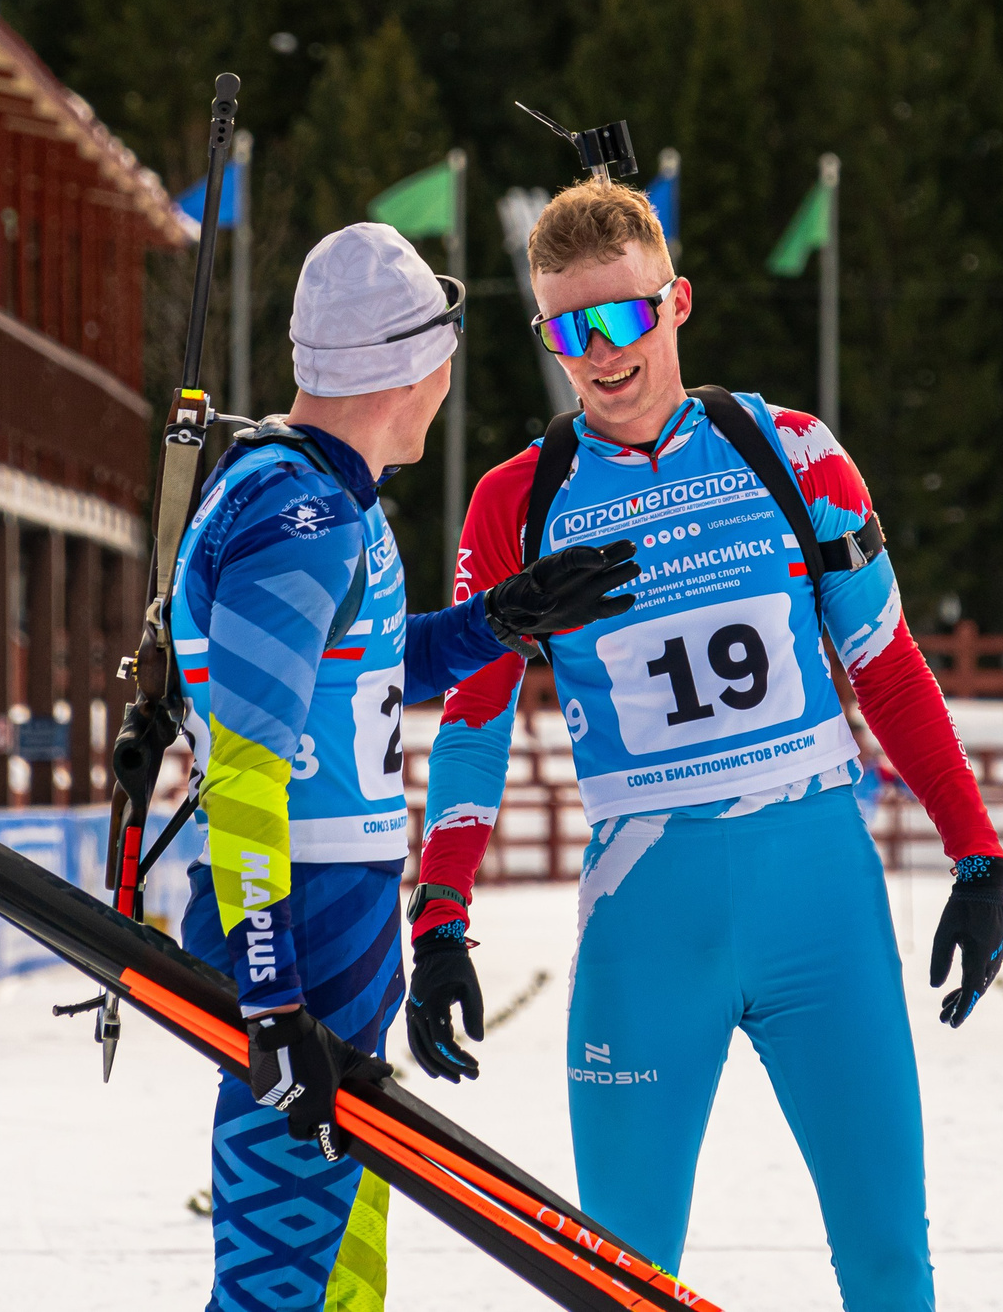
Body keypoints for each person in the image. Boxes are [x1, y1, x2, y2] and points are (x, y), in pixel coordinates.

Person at [402, 178, 1003, 1311]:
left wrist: (977, 857)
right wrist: (439, 918)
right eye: (568, 328)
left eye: (625, 315)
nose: (602, 352)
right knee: (621, 1282)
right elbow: (474, 724)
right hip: (647, 918)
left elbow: (885, 663)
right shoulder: (515, 504)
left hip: (819, 902)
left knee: (888, 1266)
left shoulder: (791, 452)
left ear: (676, 302)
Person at [165, 222, 636, 1312]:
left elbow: (368, 668)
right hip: (302, 928)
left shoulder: (334, 501)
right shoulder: (299, 517)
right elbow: (242, 771)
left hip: (336, 931)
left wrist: (501, 620)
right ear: (414, 367)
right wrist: (272, 994)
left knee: (341, 1281)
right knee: (281, 1286)